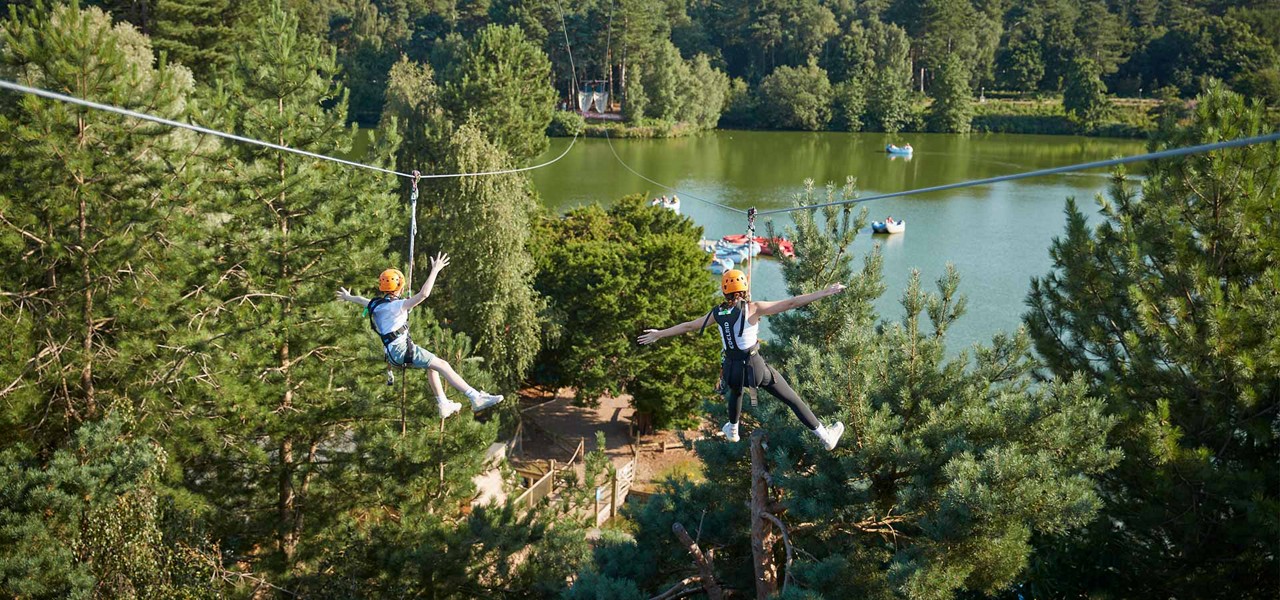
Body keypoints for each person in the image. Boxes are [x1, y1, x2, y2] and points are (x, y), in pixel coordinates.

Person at [637, 270, 846, 450]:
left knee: (736, 390)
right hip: (755, 368)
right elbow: (791, 302)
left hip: (731, 370)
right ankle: (825, 437)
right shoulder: (754, 308)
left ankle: (733, 429)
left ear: (724, 291)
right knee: (792, 399)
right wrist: (825, 292)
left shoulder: (717, 313)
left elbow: (688, 326)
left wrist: (660, 334)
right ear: (744, 290)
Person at [336, 252, 503, 418]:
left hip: (393, 354)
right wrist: (435, 270)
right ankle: (475, 397)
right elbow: (424, 295)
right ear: (400, 287)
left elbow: (361, 299)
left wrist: (348, 297)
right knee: (443, 365)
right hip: (402, 350)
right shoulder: (398, 306)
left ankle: (443, 403)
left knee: (433, 367)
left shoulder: (376, 304)